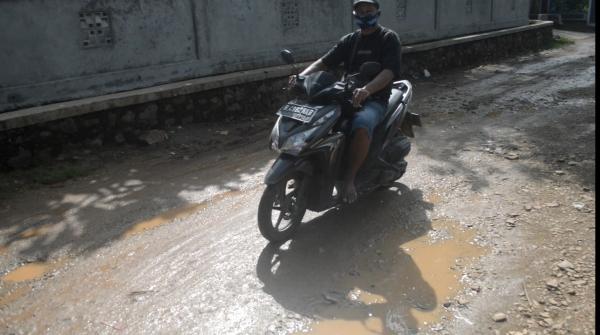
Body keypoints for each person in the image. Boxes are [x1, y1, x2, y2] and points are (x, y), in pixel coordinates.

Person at [290, 0, 402, 203]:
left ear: (378, 12)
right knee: (316, 120)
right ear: (354, 14)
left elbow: (389, 72)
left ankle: (349, 179)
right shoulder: (350, 40)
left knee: (361, 124)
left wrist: (368, 90)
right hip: (345, 95)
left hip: (374, 99)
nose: (365, 15)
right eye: (360, 11)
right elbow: (324, 61)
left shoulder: (388, 38)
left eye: (369, 11)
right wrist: (301, 77)